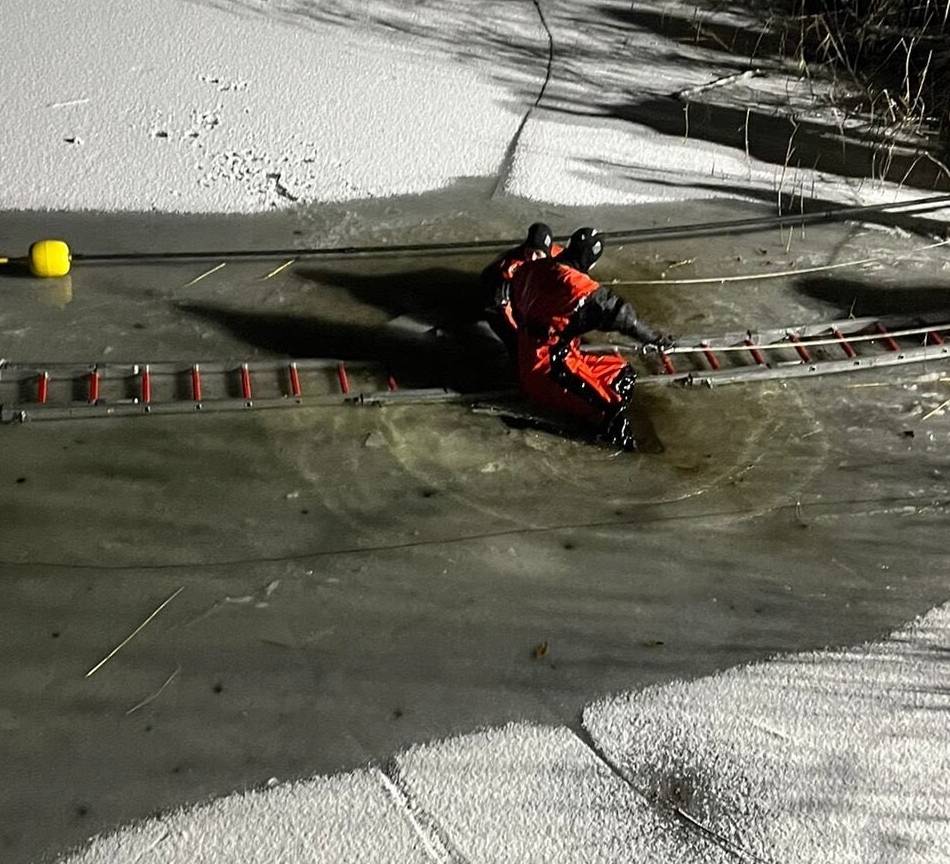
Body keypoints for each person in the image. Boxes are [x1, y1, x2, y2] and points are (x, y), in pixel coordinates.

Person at [509, 227, 672, 451]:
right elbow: (621, 315)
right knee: (613, 414)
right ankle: (604, 428)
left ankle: (586, 408)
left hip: (555, 354)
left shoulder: (531, 268)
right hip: (547, 368)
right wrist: (654, 338)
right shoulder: (575, 284)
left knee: (623, 372)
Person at [480, 223, 563, 356]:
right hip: (495, 301)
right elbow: (504, 310)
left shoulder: (559, 256)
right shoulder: (509, 270)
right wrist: (522, 334)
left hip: (528, 291)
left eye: (537, 254)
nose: (533, 258)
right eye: (529, 252)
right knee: (517, 345)